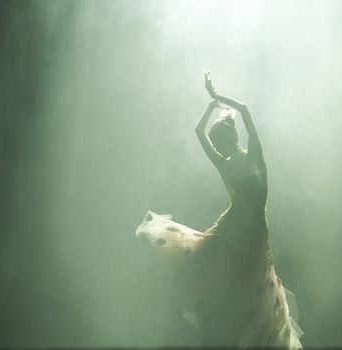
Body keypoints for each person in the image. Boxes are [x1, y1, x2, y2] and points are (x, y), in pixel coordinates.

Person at [136, 70, 303, 349]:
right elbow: (199, 133)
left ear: (232, 137)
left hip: (253, 235)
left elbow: (245, 112)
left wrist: (216, 98)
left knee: (256, 299)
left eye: (223, 141)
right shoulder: (226, 163)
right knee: (215, 279)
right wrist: (211, 105)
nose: (221, 147)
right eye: (219, 143)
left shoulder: (253, 156)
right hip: (232, 229)